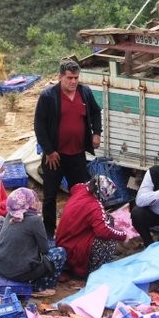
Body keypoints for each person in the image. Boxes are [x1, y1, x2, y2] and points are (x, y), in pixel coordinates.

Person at [34, 58, 102, 238]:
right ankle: (49, 232)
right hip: (54, 156)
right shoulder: (48, 96)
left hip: (77, 154)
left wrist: (97, 133)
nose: (73, 82)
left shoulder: (85, 92)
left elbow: (95, 112)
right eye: (69, 78)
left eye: (76, 78)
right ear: (60, 77)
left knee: (81, 193)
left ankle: (78, 228)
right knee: (50, 196)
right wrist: (48, 150)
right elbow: (39, 125)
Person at [0, 187, 67, 296]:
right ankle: (40, 288)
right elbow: (44, 249)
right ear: (29, 202)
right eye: (34, 200)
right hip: (18, 273)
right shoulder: (35, 220)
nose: (37, 202)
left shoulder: (10, 214)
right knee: (60, 252)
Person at [55, 175, 128, 278]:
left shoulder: (81, 190)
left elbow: (75, 187)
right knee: (108, 242)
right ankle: (92, 271)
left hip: (63, 239)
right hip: (72, 247)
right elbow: (103, 231)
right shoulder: (94, 206)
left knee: (108, 219)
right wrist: (123, 235)